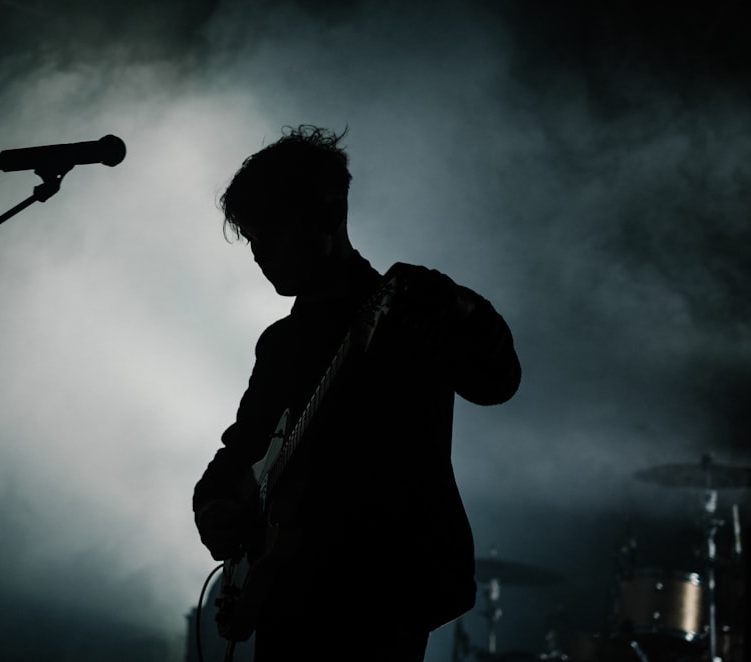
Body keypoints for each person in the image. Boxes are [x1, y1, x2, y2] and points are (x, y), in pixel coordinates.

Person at [192, 125, 521, 661]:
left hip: (379, 592)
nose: (257, 254)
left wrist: (465, 309)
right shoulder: (280, 343)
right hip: (286, 599)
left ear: (324, 215)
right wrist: (214, 508)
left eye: (268, 235)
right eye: (252, 240)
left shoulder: (404, 309)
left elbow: (497, 382)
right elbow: (239, 453)